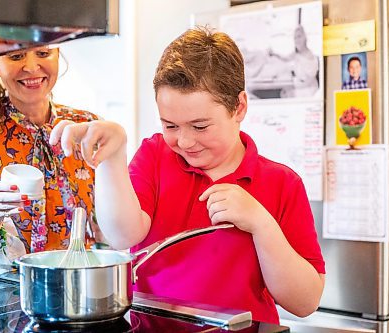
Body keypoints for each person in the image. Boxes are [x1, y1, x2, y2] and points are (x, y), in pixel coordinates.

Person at [50, 26, 326, 324]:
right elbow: (122, 235)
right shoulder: (155, 156)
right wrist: (112, 158)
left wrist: (261, 224)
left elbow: (304, 302)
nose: (184, 141)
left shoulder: (282, 183)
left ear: (240, 107)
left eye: (200, 126)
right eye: (170, 125)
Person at [0, 45, 103, 275]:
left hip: (81, 287)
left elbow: (108, 226)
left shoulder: (85, 125)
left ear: (57, 54)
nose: (31, 67)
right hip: (6, 294)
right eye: (16, 56)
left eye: (43, 54)